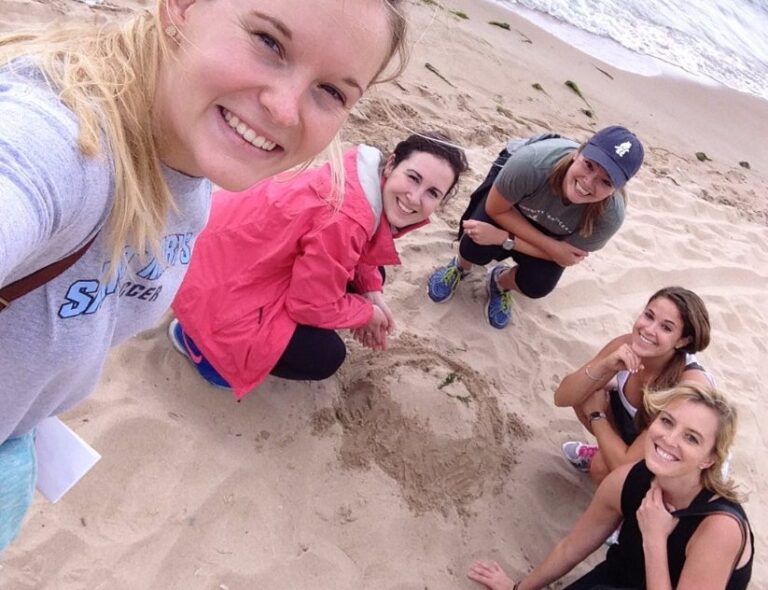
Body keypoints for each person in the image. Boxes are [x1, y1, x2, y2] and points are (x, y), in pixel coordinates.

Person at [0, 0, 409, 553]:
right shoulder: (61, 141)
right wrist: (367, 309)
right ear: (182, 8)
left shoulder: (191, 161)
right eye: (269, 42)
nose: (285, 110)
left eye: (332, 91)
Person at [169, 133, 469, 398]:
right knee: (325, 356)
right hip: (209, 283)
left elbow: (359, 250)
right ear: (391, 165)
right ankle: (202, 346)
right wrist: (367, 314)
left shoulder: (361, 178)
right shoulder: (348, 218)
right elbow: (308, 305)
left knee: (373, 273)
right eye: (413, 178)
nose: (415, 198)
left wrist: (372, 293)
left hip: (219, 253)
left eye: (433, 193)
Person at [468, 382, 753, 590]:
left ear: (709, 460)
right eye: (667, 421)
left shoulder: (718, 528)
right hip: (619, 578)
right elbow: (571, 548)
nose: (669, 439)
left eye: (691, 438)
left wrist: (655, 538)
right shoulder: (629, 480)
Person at [427, 127, 644, 329]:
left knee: (538, 284)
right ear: (578, 152)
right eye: (589, 165)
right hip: (511, 207)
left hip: (543, 231)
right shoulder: (532, 163)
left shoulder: (610, 216)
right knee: (473, 241)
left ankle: (500, 283)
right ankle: (460, 267)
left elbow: (566, 257)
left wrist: (504, 238)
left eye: (606, 182)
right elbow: (496, 209)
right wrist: (551, 247)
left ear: (616, 189)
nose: (588, 182)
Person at [555, 286, 713, 483]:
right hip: (643, 435)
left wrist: (597, 415)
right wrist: (605, 366)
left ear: (682, 341)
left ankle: (621, 494)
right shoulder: (627, 345)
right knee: (587, 388)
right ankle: (610, 451)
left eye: (666, 327)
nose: (648, 330)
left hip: (679, 469)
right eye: (649, 316)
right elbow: (562, 397)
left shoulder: (688, 386)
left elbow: (624, 467)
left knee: (603, 468)